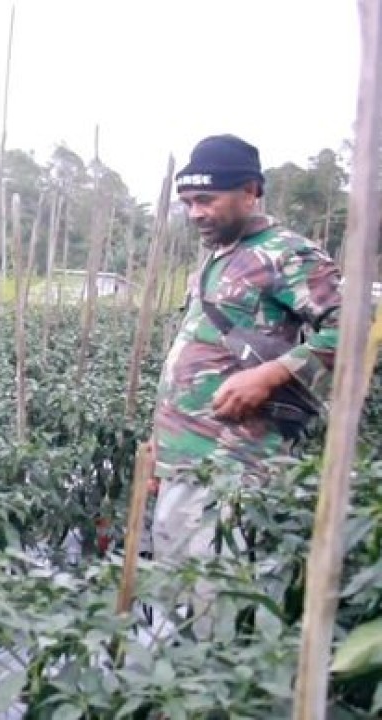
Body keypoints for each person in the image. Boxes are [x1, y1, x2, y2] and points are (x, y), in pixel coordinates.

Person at [148, 134, 342, 635]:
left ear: (250, 192)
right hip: (183, 460)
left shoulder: (286, 254)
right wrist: (160, 445)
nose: (195, 213)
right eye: (188, 202)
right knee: (177, 592)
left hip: (234, 469)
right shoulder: (218, 255)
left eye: (207, 200)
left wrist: (273, 373)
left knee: (222, 601)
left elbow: (356, 326)